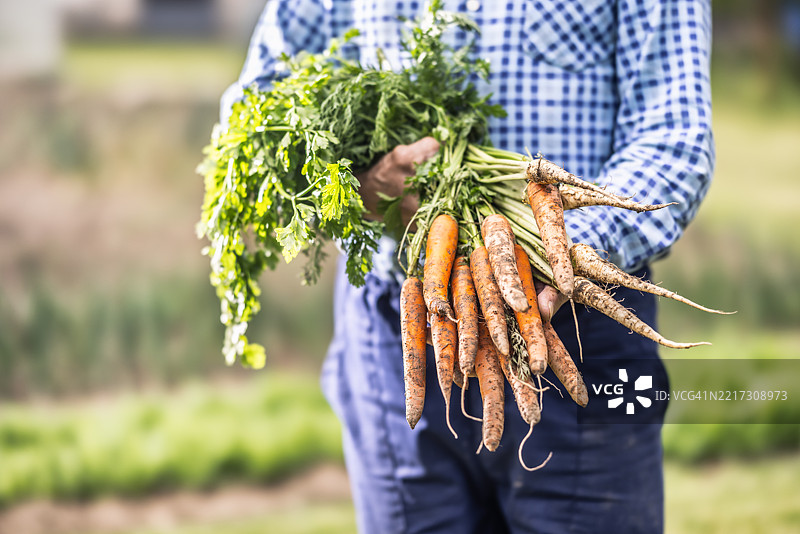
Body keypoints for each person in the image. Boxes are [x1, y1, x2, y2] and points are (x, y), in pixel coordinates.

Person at [220, 1, 714, 532]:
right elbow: (255, 106)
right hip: (402, 328)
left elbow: (674, 138)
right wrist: (356, 185)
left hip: (577, 325)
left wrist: (561, 251)